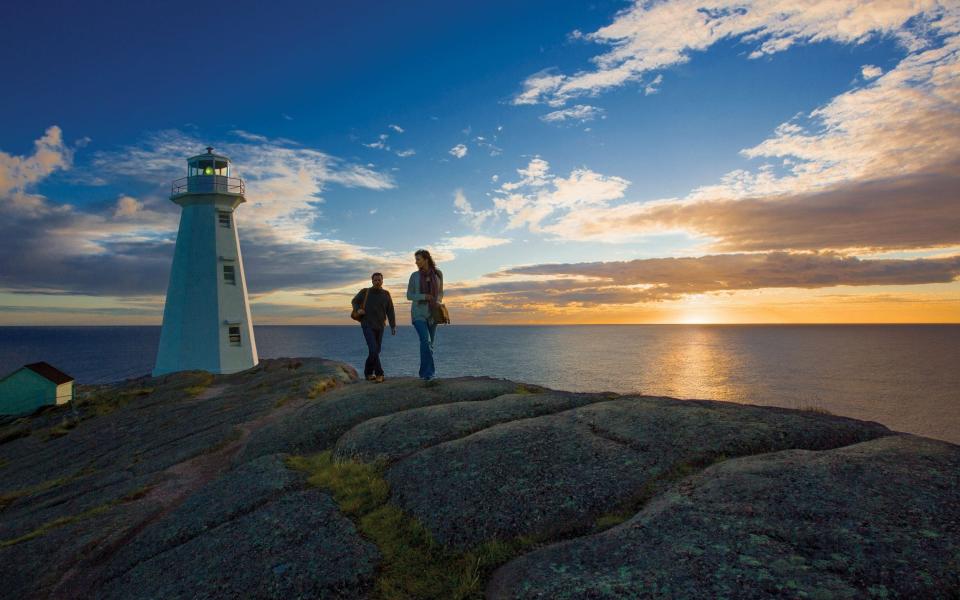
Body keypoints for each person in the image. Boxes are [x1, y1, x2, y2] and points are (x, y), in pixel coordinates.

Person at [351, 272, 396, 383]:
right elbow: (354, 301)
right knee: (373, 349)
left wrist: (393, 326)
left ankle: (368, 373)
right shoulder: (365, 292)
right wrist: (358, 309)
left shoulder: (386, 294)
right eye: (375, 280)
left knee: (376, 350)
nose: (377, 282)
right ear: (372, 281)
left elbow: (390, 310)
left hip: (380, 325)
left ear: (382, 281)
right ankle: (379, 374)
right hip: (367, 324)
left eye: (379, 280)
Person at [407, 249, 443, 381]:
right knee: (425, 341)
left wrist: (438, 301)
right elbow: (409, 295)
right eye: (415, 259)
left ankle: (423, 373)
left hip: (433, 313)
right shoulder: (414, 276)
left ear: (426, 259)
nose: (416, 262)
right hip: (418, 313)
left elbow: (440, 292)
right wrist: (424, 296)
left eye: (418, 259)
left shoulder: (438, 274)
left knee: (430, 344)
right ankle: (429, 374)